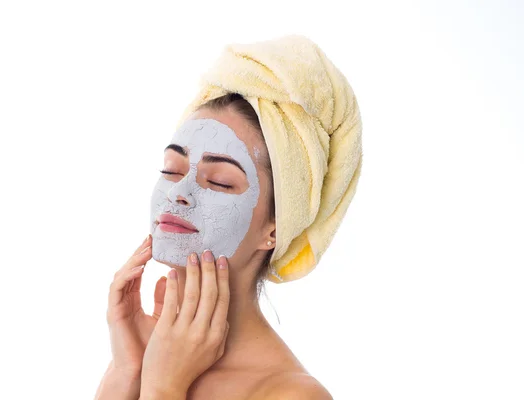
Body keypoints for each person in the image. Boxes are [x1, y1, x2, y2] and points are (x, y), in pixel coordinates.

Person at [94, 35, 362, 400]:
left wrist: (162, 388)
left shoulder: (291, 394)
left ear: (275, 228)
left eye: (218, 181)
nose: (178, 193)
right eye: (171, 170)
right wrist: (127, 371)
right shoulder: (143, 359)